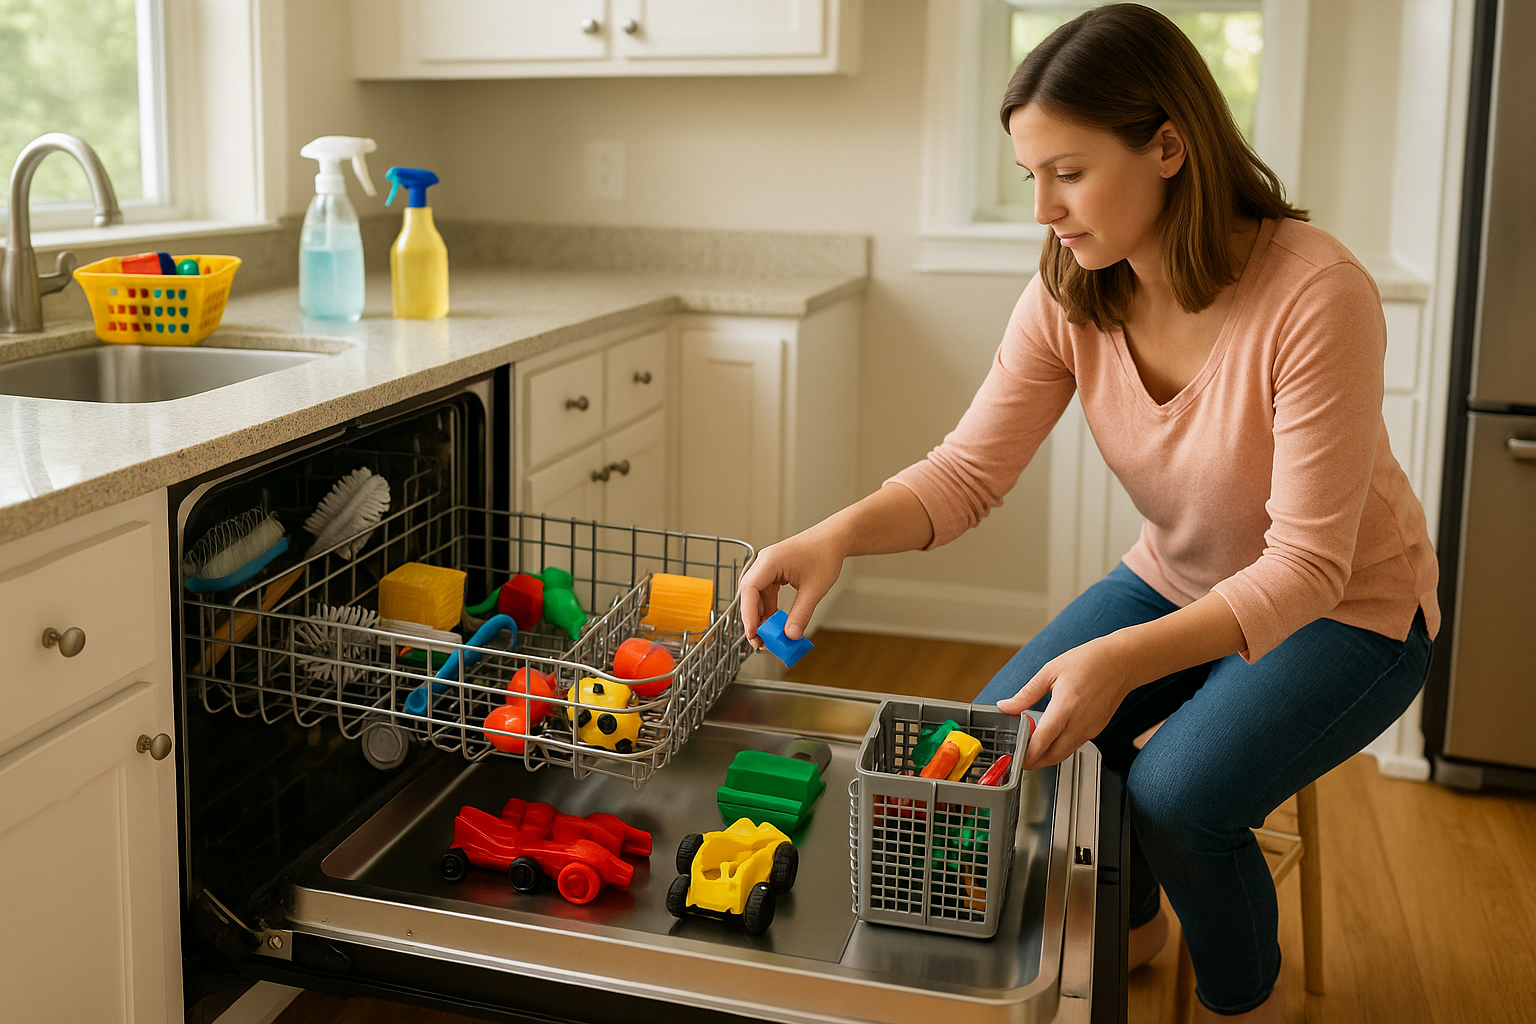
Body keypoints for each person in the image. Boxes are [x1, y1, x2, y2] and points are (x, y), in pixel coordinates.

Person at [737, 5, 1439, 1021]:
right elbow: (968, 472)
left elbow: (1307, 568)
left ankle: (1248, 999)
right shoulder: (1073, 289)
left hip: (1350, 614)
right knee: (1001, 744)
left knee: (1178, 796)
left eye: (1066, 173)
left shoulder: (1315, 294)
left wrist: (1126, 659)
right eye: (1030, 176)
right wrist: (831, 533)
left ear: (1167, 147)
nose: (1042, 210)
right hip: (1181, 577)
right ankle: (1140, 929)